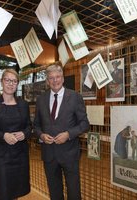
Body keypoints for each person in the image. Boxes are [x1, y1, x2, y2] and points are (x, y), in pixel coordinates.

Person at [34, 64, 90, 200]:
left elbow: (84, 124)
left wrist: (68, 134)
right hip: (49, 155)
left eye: (57, 77)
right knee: (54, 192)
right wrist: (41, 135)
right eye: (51, 78)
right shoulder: (41, 99)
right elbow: (36, 125)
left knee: (74, 191)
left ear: (63, 78)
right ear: (47, 81)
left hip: (69, 154)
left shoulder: (75, 97)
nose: (55, 81)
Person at [0, 69, 31, 200]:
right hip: (0, 157)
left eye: (14, 81)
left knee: (16, 191)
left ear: (17, 84)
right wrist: (3, 136)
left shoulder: (23, 104)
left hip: (19, 156)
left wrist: (24, 134)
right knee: (2, 192)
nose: (10, 84)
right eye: (7, 80)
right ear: (1, 82)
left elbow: (29, 127)